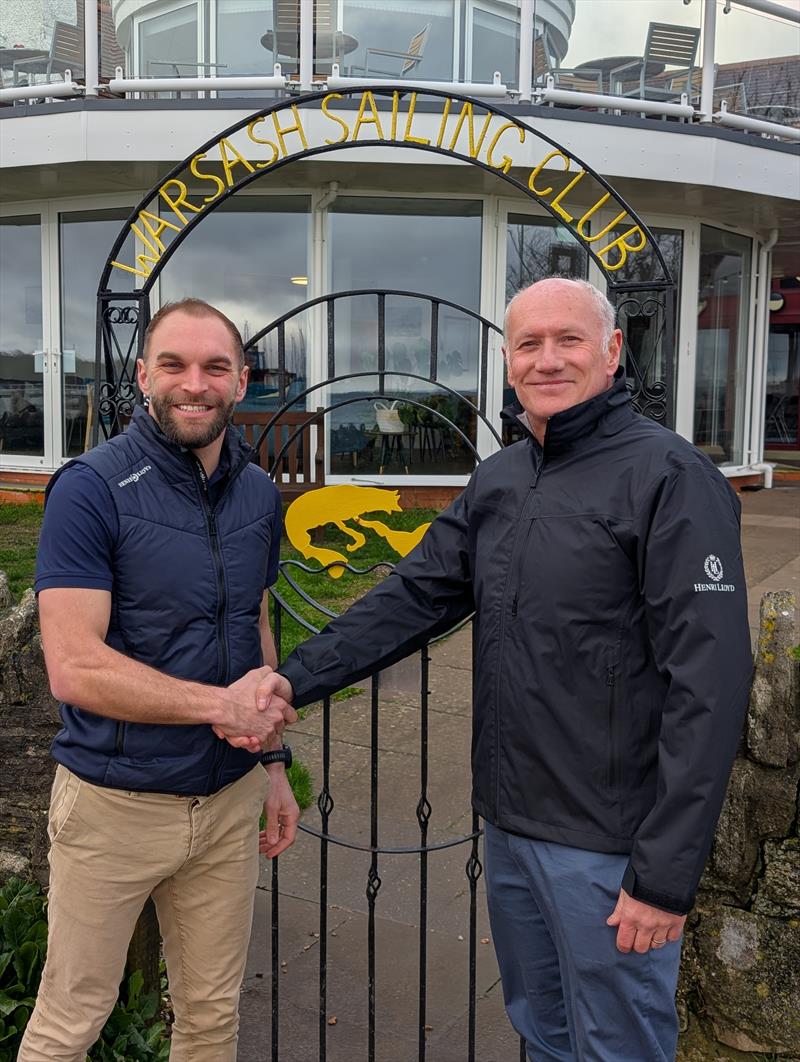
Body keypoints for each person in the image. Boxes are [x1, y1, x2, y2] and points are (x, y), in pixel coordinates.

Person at [248, 278, 752, 1061]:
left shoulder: (669, 477)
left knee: (617, 1045)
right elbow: (415, 597)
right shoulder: (503, 478)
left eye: (569, 340)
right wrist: (292, 680)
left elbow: (711, 685)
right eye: (528, 344)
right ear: (509, 363)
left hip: (609, 846)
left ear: (613, 351)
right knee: (541, 1031)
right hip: (512, 828)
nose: (547, 360)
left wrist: (665, 873)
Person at [20, 298, 299, 1062]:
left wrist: (272, 763)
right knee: (68, 1022)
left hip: (230, 801)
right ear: (144, 375)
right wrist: (221, 705)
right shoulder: (91, 489)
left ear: (242, 381)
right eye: (173, 364)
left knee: (211, 1019)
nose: (194, 384)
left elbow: (256, 622)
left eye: (215, 367)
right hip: (115, 806)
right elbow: (73, 666)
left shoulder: (256, 492)